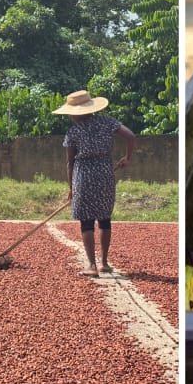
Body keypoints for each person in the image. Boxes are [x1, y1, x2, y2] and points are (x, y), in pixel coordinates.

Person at [53, 90, 135, 277]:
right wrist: (127, 158)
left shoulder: (73, 131)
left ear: (76, 113)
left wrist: (71, 187)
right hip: (105, 173)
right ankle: (104, 263)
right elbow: (131, 136)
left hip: (83, 177)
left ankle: (91, 265)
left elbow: (70, 162)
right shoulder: (107, 122)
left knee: (87, 222)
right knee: (105, 218)